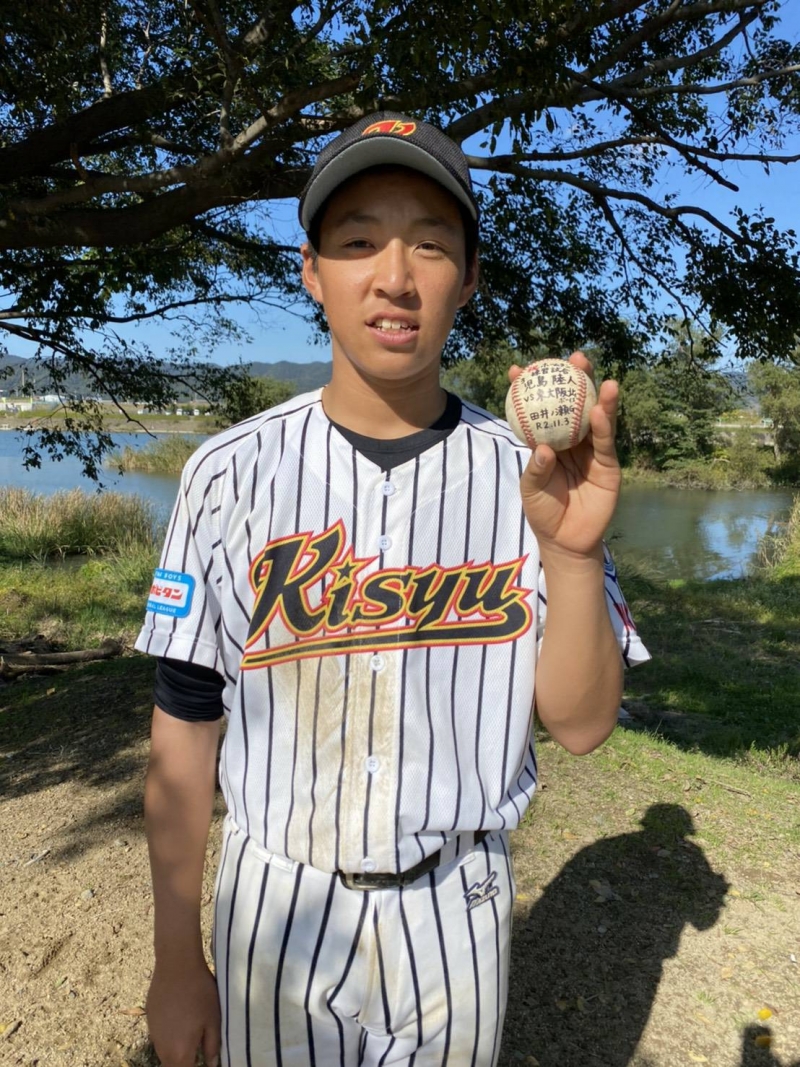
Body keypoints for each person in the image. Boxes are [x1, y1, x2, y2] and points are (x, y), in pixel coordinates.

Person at [136, 111, 649, 1067]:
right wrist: (175, 960)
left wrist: (573, 554)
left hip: (457, 905)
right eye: (359, 241)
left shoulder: (530, 474)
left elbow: (580, 726)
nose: (396, 276)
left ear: (471, 275)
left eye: (431, 244)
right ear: (311, 271)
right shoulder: (227, 473)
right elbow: (186, 721)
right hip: (277, 901)